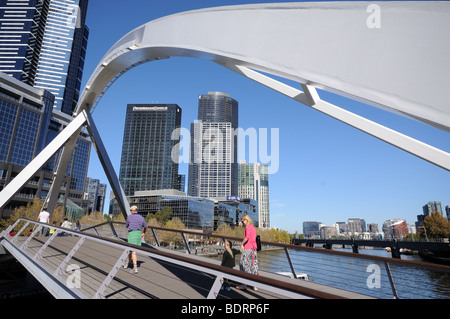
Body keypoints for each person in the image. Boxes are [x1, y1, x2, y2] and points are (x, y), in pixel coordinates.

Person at [123, 205, 148, 274]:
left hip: (132, 234)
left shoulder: (129, 217)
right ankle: (126, 263)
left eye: (131, 210)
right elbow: (146, 226)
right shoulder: (141, 218)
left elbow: (126, 226)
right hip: (138, 234)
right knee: (131, 250)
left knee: (133, 251)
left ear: (132, 211)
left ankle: (135, 267)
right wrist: (143, 233)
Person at [237, 214, 258, 291]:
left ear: (247, 220)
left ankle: (244, 285)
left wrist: (242, 244)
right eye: (242, 221)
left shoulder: (248, 227)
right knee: (253, 267)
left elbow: (247, 237)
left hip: (247, 248)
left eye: (243, 221)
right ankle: (254, 286)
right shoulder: (253, 228)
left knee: (243, 266)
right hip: (253, 250)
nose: (242, 222)